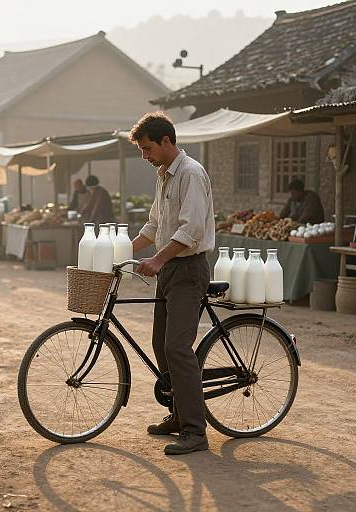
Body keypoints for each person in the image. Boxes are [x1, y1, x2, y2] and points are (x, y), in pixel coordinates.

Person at [129, 112, 215, 455]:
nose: (144, 155)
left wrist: (158, 259)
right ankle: (178, 415)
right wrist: (120, 251)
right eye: (141, 149)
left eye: (147, 148)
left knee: (178, 348)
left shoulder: (191, 174)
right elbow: (154, 226)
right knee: (160, 344)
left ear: (167, 141)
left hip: (188, 270)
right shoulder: (164, 175)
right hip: (169, 271)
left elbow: (190, 230)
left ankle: (196, 432)